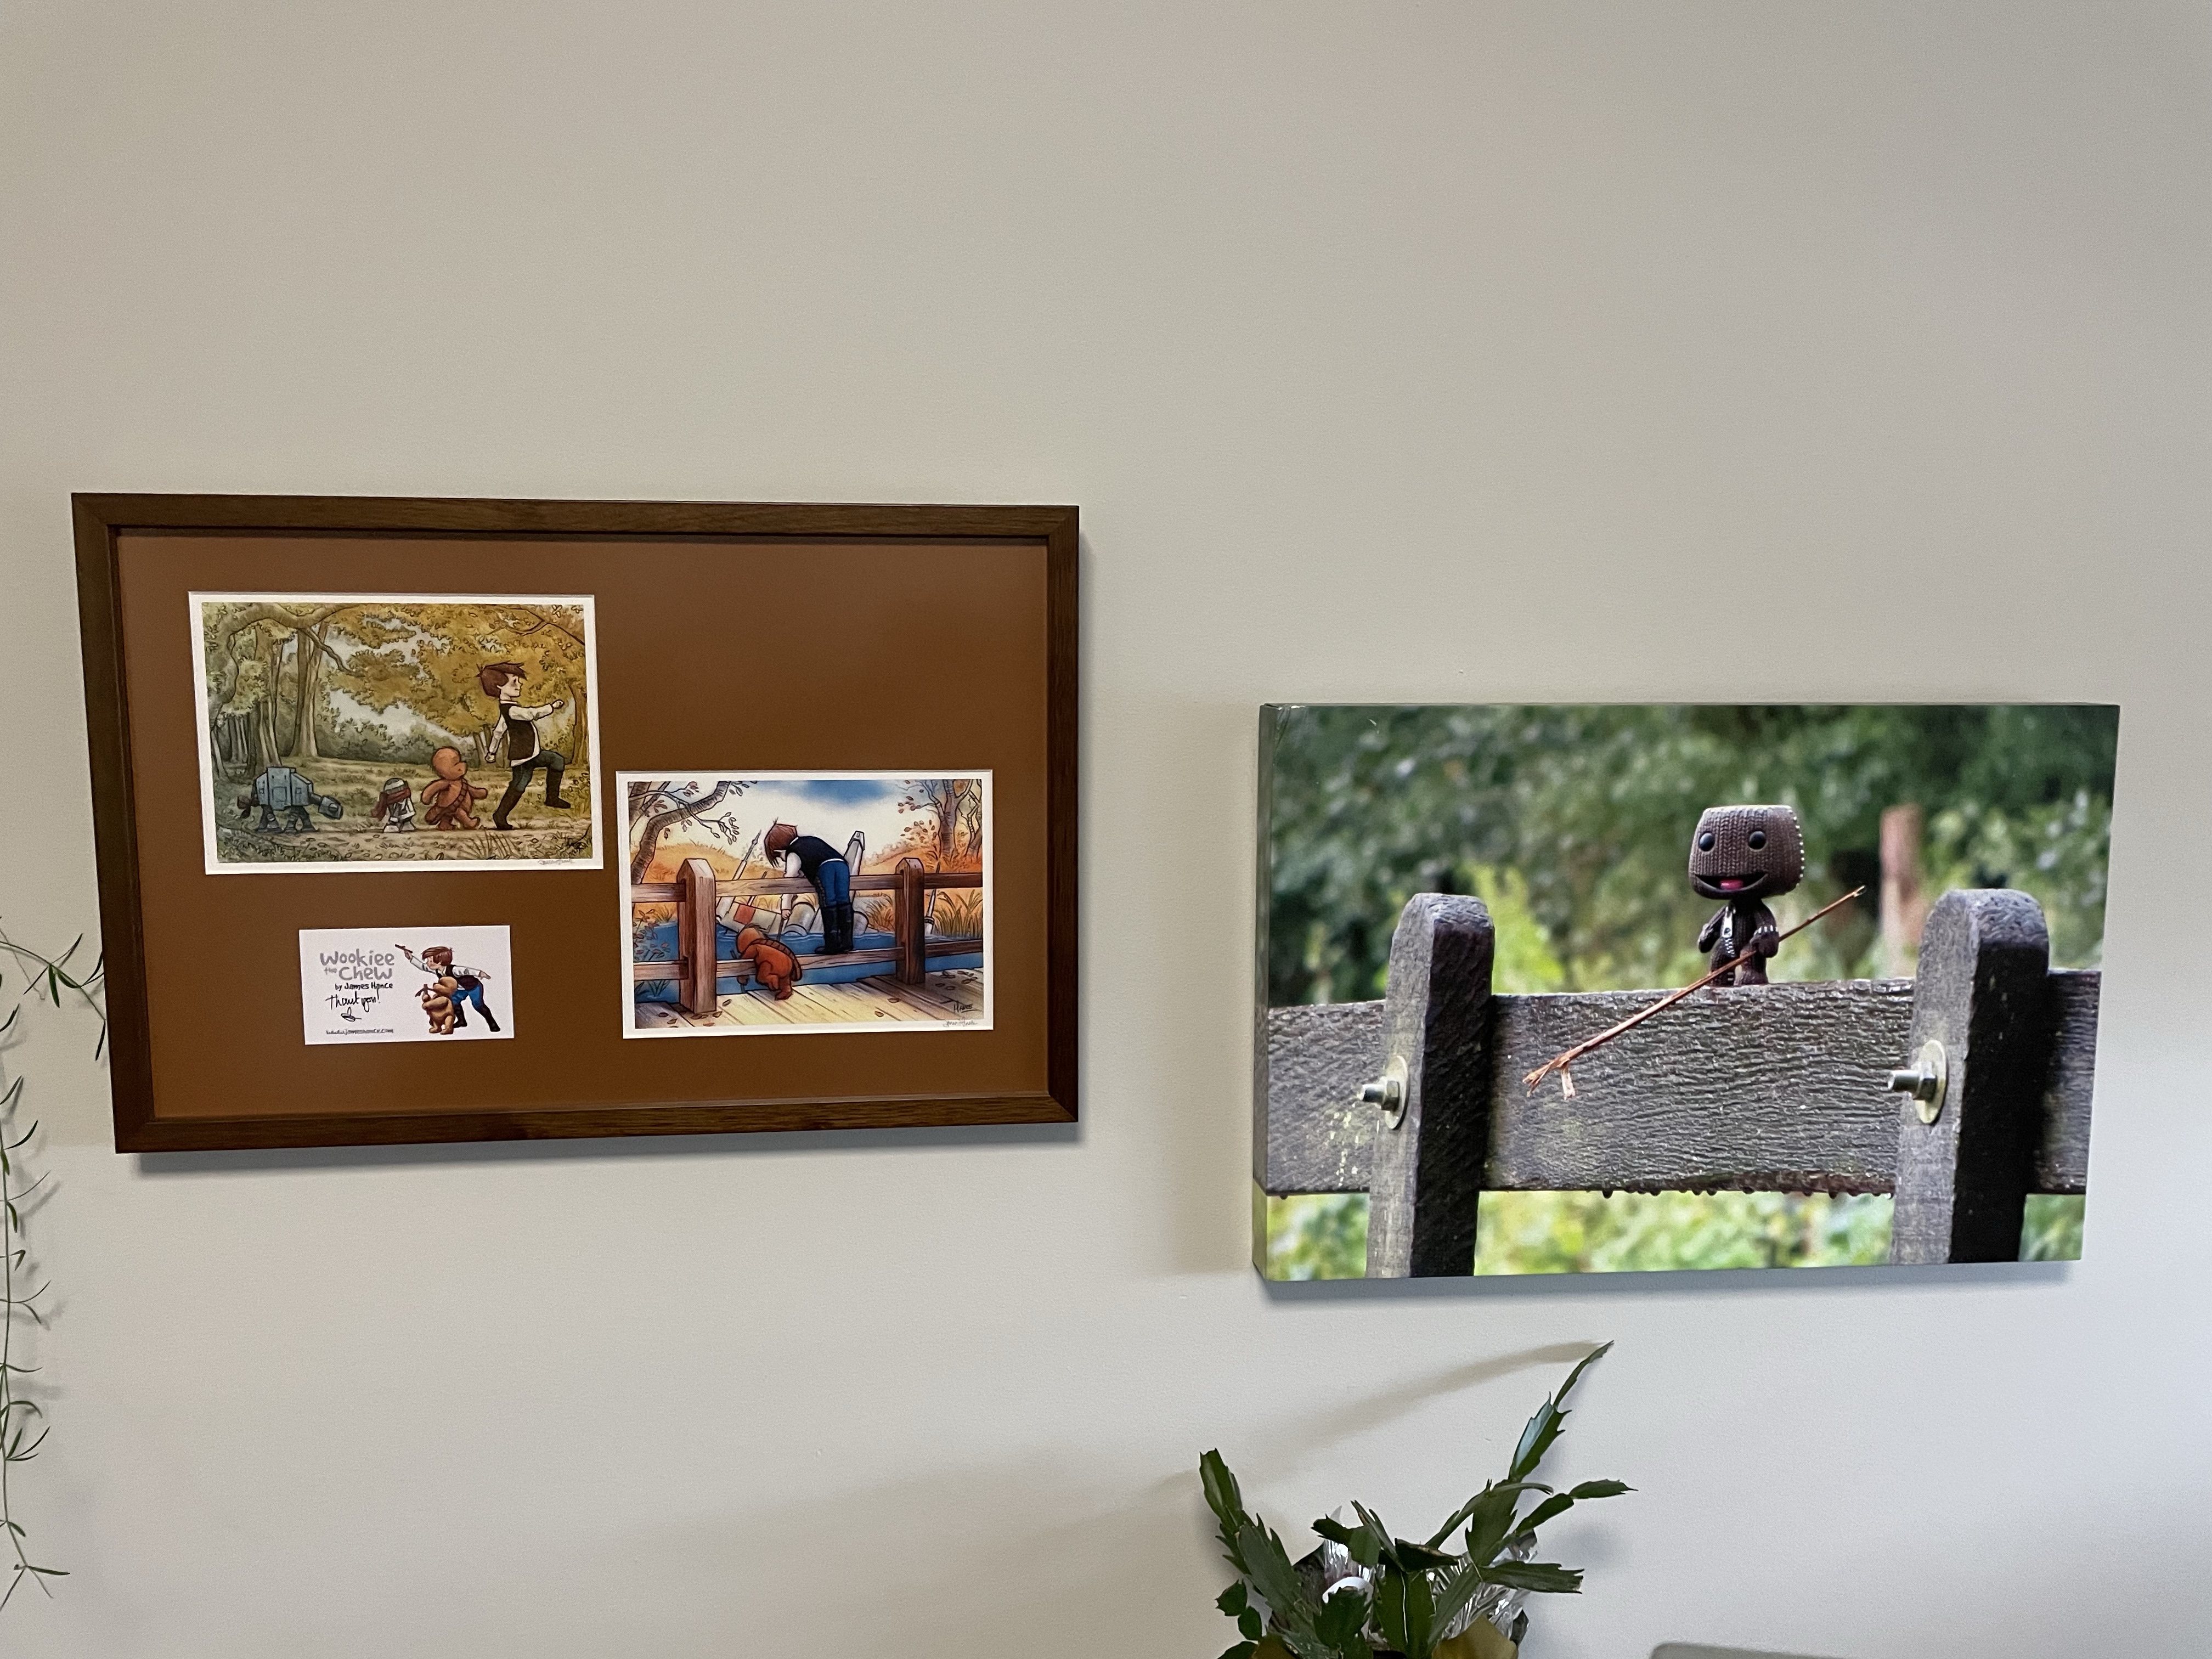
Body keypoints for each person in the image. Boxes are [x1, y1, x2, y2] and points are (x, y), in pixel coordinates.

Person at [478, 661, 572, 830]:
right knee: (520, 784)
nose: (519, 684)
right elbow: (531, 714)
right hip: (523, 757)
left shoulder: (507, 709)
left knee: (556, 760)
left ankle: (552, 798)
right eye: (514, 681)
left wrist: (492, 752)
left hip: (532, 753)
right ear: (499, 687)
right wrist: (551, 707)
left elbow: (498, 732)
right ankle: (500, 815)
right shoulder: (512, 710)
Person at [761, 821, 865, 955]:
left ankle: (832, 945)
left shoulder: (792, 852)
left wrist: (786, 906)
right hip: (841, 866)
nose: (784, 861)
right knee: (844, 902)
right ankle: (847, 943)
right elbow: (812, 859)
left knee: (829, 904)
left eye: (781, 858)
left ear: (779, 850)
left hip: (825, 870)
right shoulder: (810, 840)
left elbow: (790, 880)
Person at [398, 944, 500, 1031]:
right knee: (454, 1003)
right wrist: (410, 958)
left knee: (478, 1005)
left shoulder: (454, 970)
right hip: (459, 990)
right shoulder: (437, 970)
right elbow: (423, 967)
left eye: (430, 961)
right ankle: (462, 1021)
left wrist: (480, 973)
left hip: (473, 988)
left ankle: (492, 1024)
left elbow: (467, 971)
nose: (427, 963)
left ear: (439, 962)